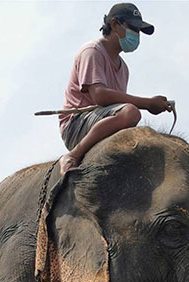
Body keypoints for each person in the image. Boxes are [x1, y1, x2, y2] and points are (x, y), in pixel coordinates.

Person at [58, 3, 171, 175]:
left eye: (139, 31)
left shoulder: (124, 69)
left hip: (101, 119)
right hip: (76, 123)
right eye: (133, 28)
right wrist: (148, 103)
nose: (137, 35)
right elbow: (100, 96)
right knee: (130, 113)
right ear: (114, 25)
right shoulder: (92, 52)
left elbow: (115, 106)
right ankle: (74, 155)